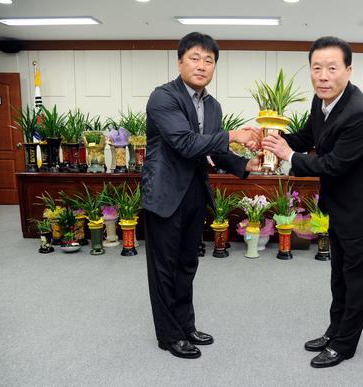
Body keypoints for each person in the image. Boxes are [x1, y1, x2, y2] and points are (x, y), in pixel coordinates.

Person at [262, 36, 363, 368]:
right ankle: (335, 330)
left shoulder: (359, 113)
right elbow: (307, 137)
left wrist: (288, 156)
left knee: (358, 283)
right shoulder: (322, 103)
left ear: (348, 70)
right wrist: (273, 139)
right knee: (340, 278)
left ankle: (345, 345)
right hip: (340, 208)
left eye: (332, 68)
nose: (323, 76)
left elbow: (333, 165)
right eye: (316, 68)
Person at [142, 32, 262, 359]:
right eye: (195, 58)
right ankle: (169, 336)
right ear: (180, 61)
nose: (202, 65)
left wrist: (245, 164)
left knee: (188, 263)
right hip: (165, 192)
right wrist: (234, 135)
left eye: (209, 61)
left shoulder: (213, 105)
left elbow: (214, 150)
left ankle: (186, 325)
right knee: (164, 267)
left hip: (195, 191)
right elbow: (185, 143)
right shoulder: (162, 97)